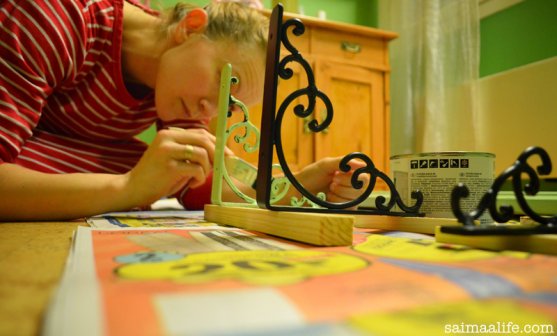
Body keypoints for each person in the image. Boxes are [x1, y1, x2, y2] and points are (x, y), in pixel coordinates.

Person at [0, 0, 367, 221]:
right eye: (225, 81)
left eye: (228, 105)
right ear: (191, 27)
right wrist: (128, 188)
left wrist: (299, 185)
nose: (211, 110)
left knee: (166, 164)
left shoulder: (182, 88)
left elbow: (202, 185)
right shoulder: (54, 21)